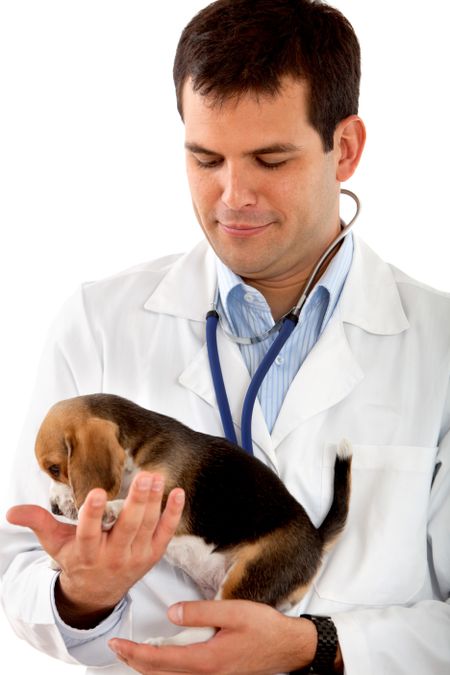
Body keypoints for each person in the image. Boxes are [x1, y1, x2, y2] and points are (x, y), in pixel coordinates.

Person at [1, 0, 449, 673]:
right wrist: (80, 597)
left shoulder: (439, 344)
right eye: (206, 158)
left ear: (346, 148)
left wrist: (320, 646)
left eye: (271, 159)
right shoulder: (97, 321)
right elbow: (21, 574)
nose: (232, 195)